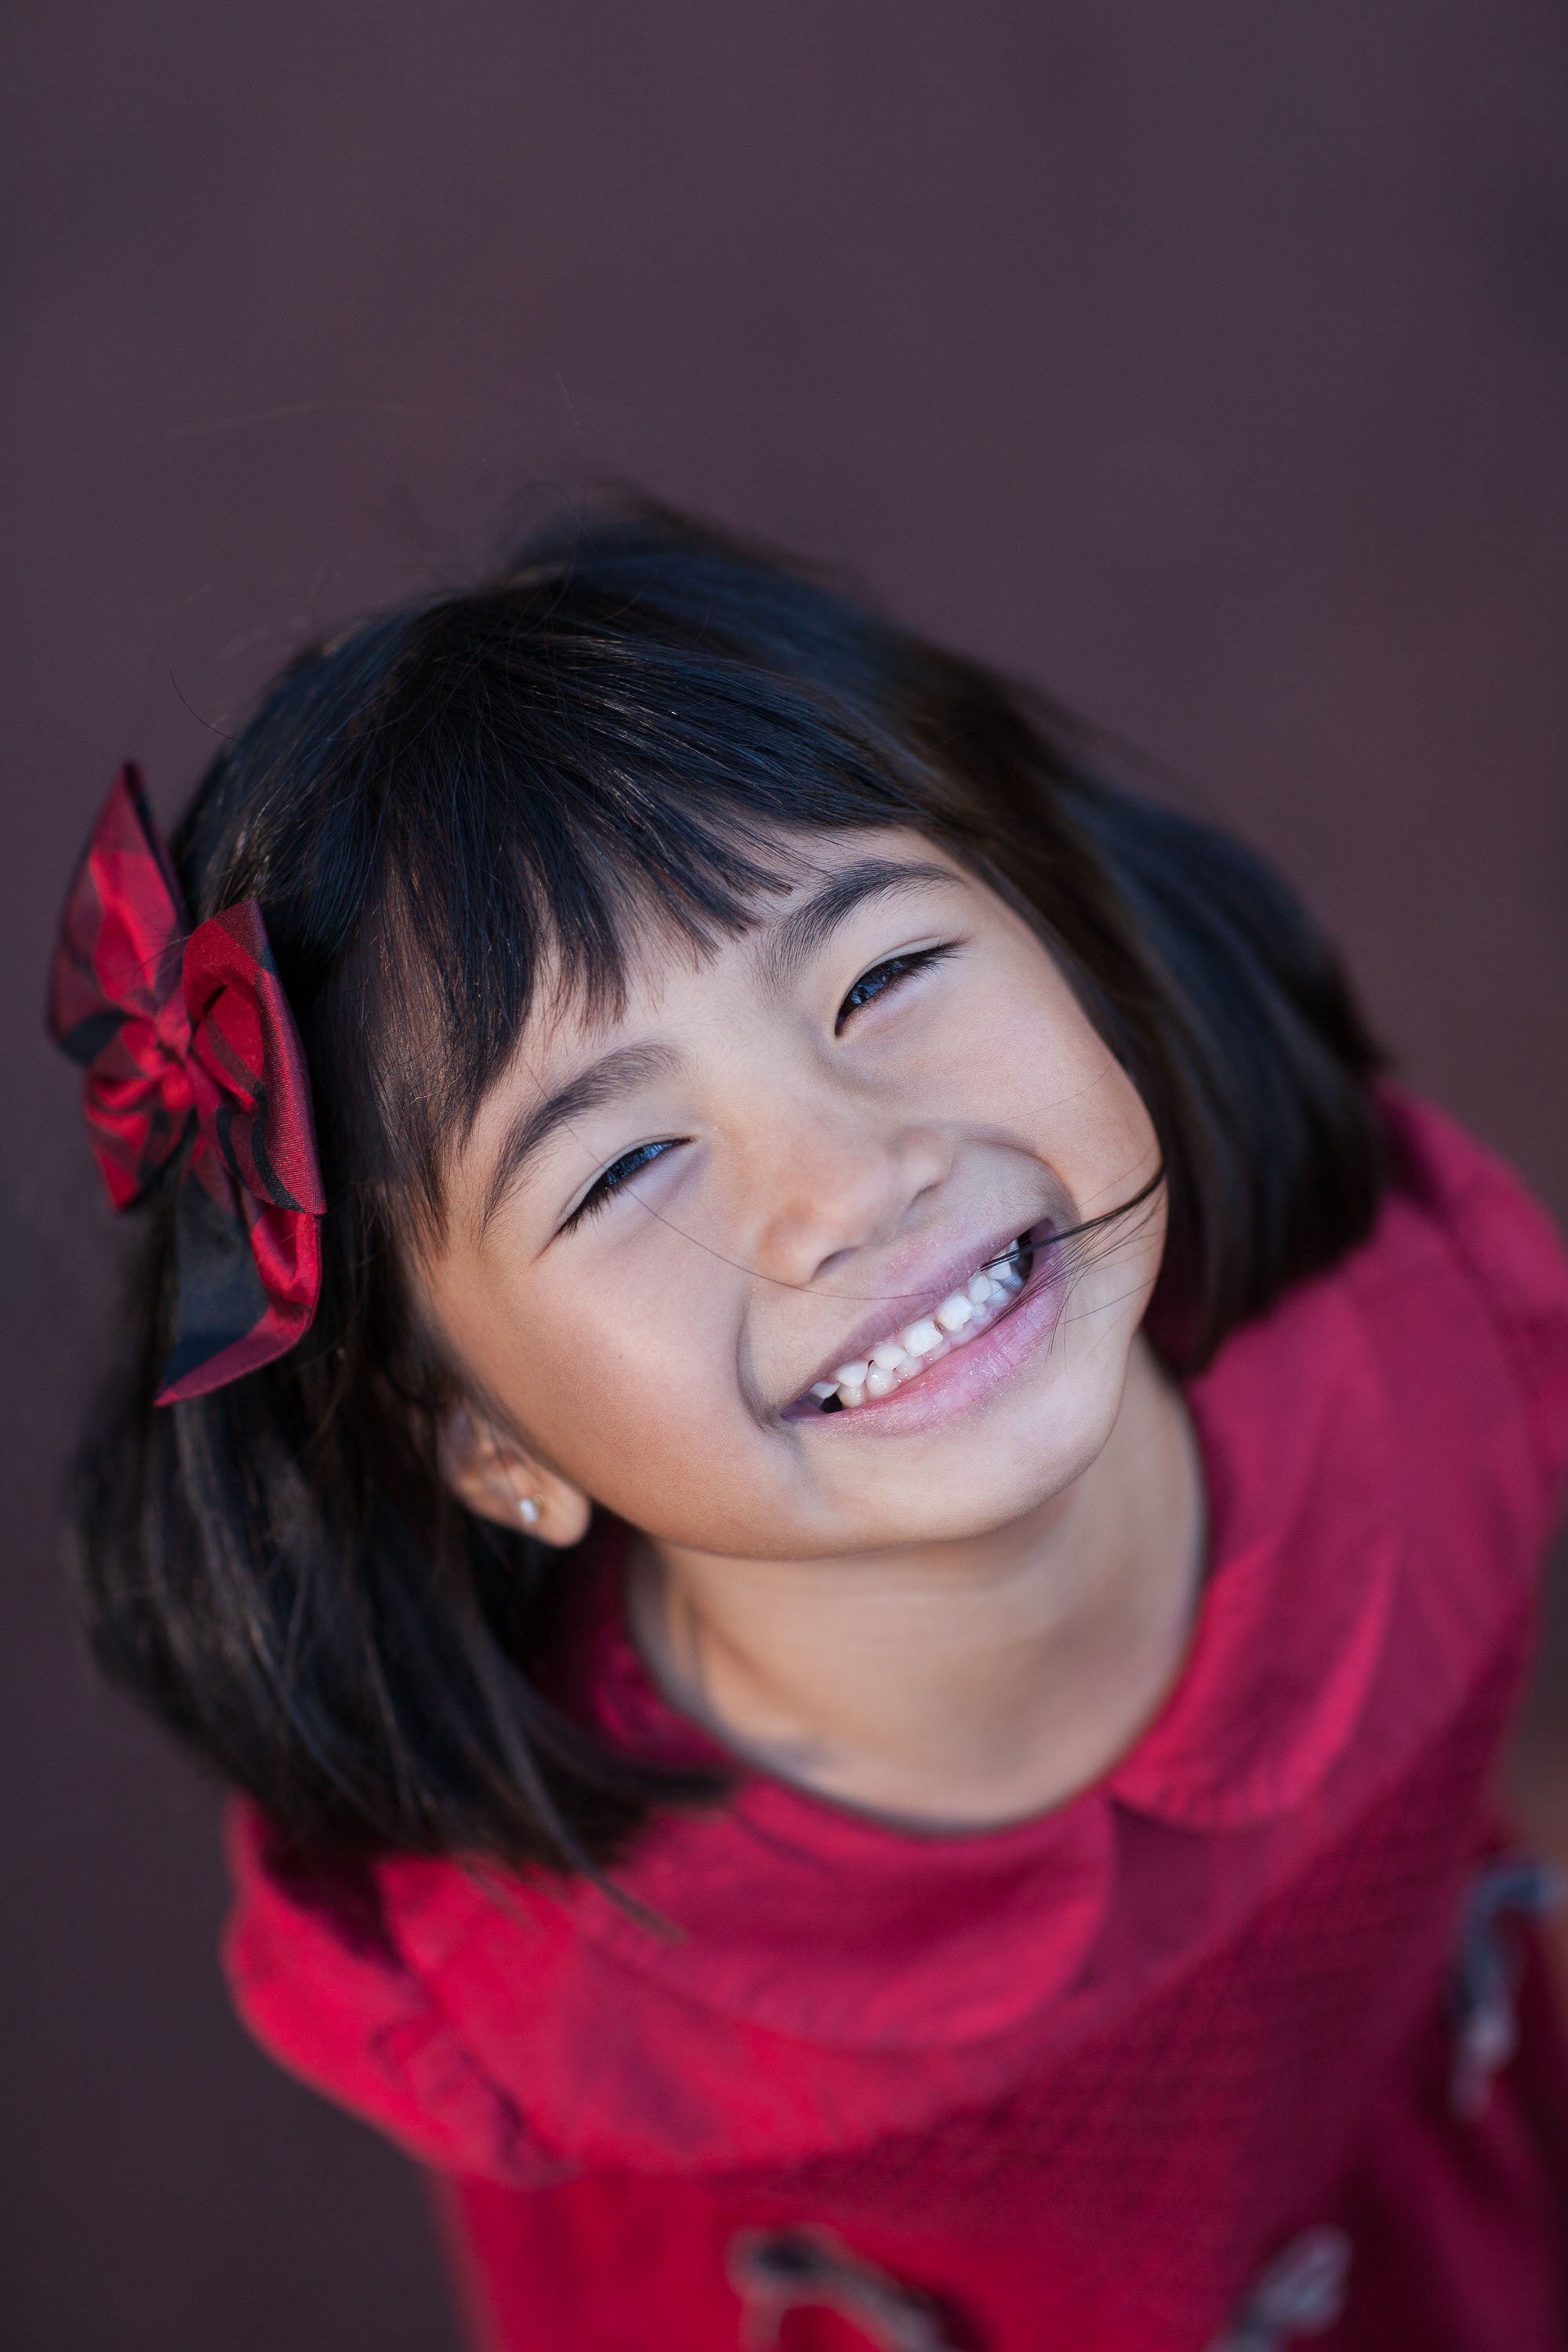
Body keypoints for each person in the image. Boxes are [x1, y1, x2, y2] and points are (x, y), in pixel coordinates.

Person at [50, 505, 1568, 2351]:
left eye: (880, 977)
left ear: (1071, 934)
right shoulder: (577, 2003)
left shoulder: (1425, 1369)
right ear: (487, 1448)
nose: (843, 1179)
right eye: (621, 1165)